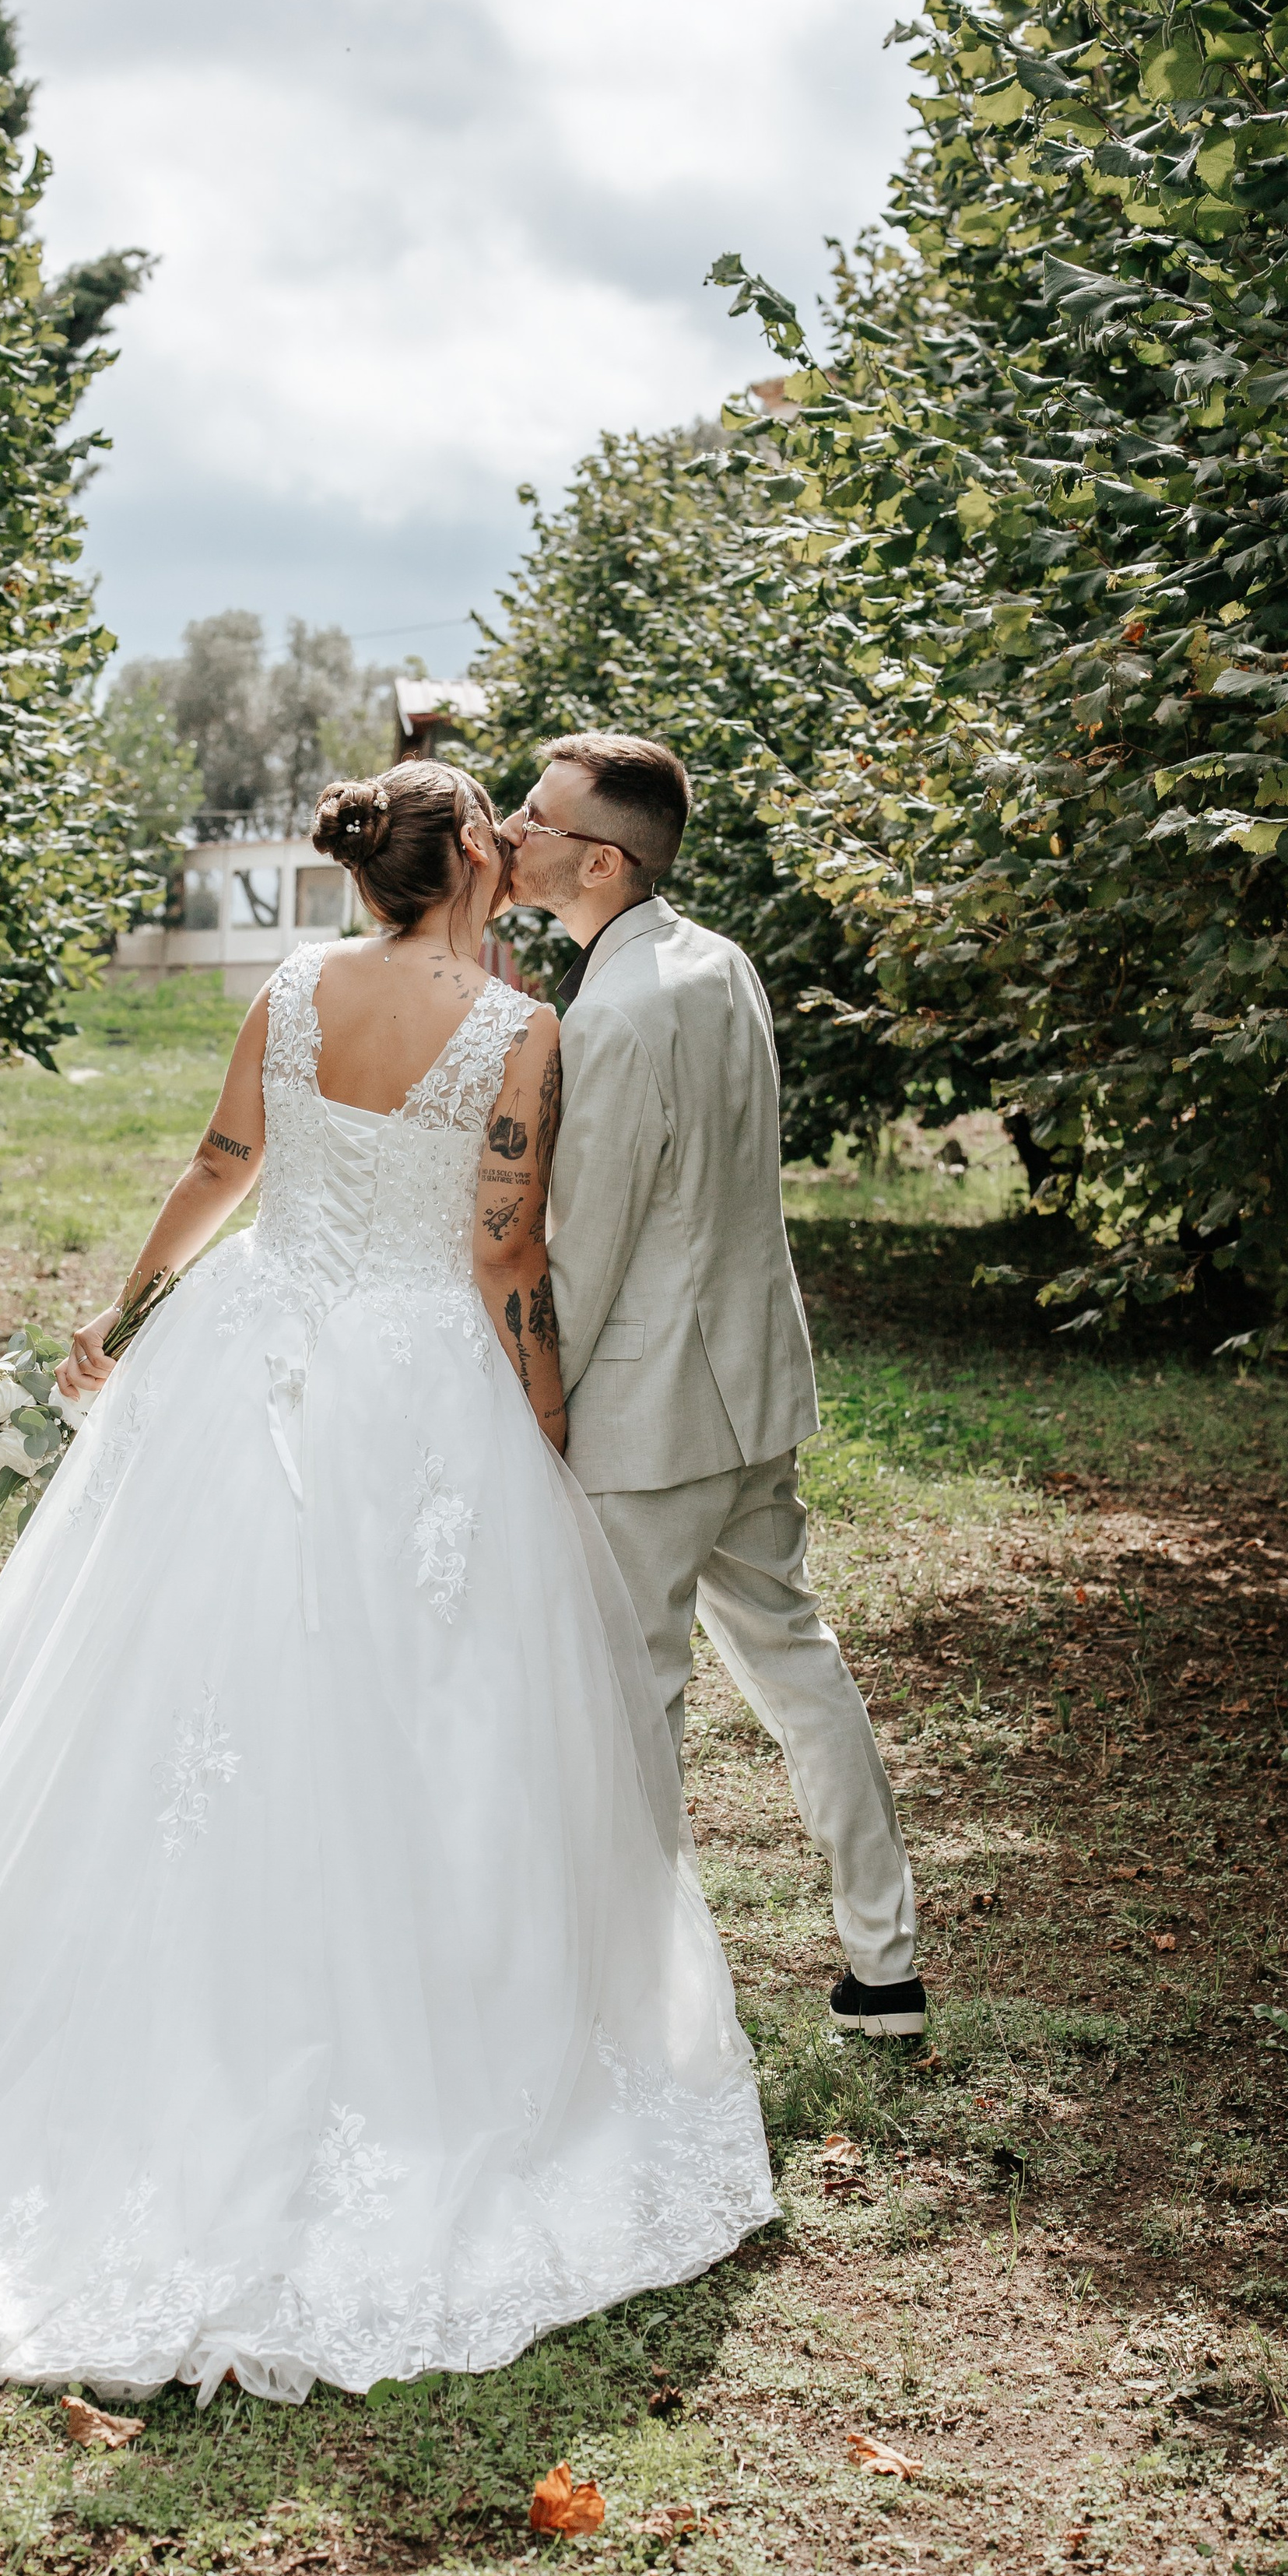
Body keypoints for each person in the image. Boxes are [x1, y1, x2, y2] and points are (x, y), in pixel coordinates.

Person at [0, 758, 774, 2404]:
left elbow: (223, 1166)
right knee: (419, 1717)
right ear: (474, 866)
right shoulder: (518, 1033)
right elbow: (503, 1255)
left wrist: (126, 1321)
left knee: (166, 1698)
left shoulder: (292, 990)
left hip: (248, 1352)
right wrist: (547, 1430)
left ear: (369, 874)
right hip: (417, 1379)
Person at [503, 732, 925, 2040]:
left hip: (650, 1416)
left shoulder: (613, 1013)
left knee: (636, 1703)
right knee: (800, 1663)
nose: (510, 828)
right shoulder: (718, 959)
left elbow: (588, 1244)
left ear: (599, 858)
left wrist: (525, 1398)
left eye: (535, 813)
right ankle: (886, 1967)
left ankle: (637, 2001)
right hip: (754, 1379)